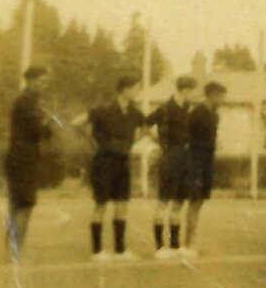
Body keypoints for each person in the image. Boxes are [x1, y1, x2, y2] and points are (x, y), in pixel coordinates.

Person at [87, 73, 147, 260]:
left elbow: (147, 128)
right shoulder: (103, 110)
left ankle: (120, 250)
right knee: (101, 205)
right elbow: (78, 123)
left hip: (122, 162)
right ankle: (97, 251)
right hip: (103, 162)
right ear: (125, 89)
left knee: (122, 205)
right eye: (136, 88)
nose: (138, 91)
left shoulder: (135, 112)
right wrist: (95, 143)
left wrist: (132, 141)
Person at [2, 65, 53, 262]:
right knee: (24, 205)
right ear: (30, 81)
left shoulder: (27, 102)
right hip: (23, 160)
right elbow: (40, 130)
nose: (45, 86)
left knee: (17, 205)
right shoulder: (27, 103)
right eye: (42, 82)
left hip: (19, 158)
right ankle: (14, 253)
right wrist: (46, 123)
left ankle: (11, 251)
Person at [146, 74, 198, 257]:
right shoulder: (165, 109)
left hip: (185, 158)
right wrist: (159, 142)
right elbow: (145, 124)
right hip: (170, 157)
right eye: (193, 91)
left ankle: (175, 246)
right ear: (185, 90)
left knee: (178, 202)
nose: (195, 95)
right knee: (163, 201)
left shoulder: (188, 109)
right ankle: (160, 247)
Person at [181, 80, 227, 257]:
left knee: (200, 200)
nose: (223, 100)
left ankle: (191, 241)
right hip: (195, 159)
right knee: (194, 199)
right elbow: (186, 137)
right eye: (221, 96)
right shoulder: (196, 113)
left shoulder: (215, 115)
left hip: (208, 159)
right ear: (213, 95)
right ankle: (187, 243)